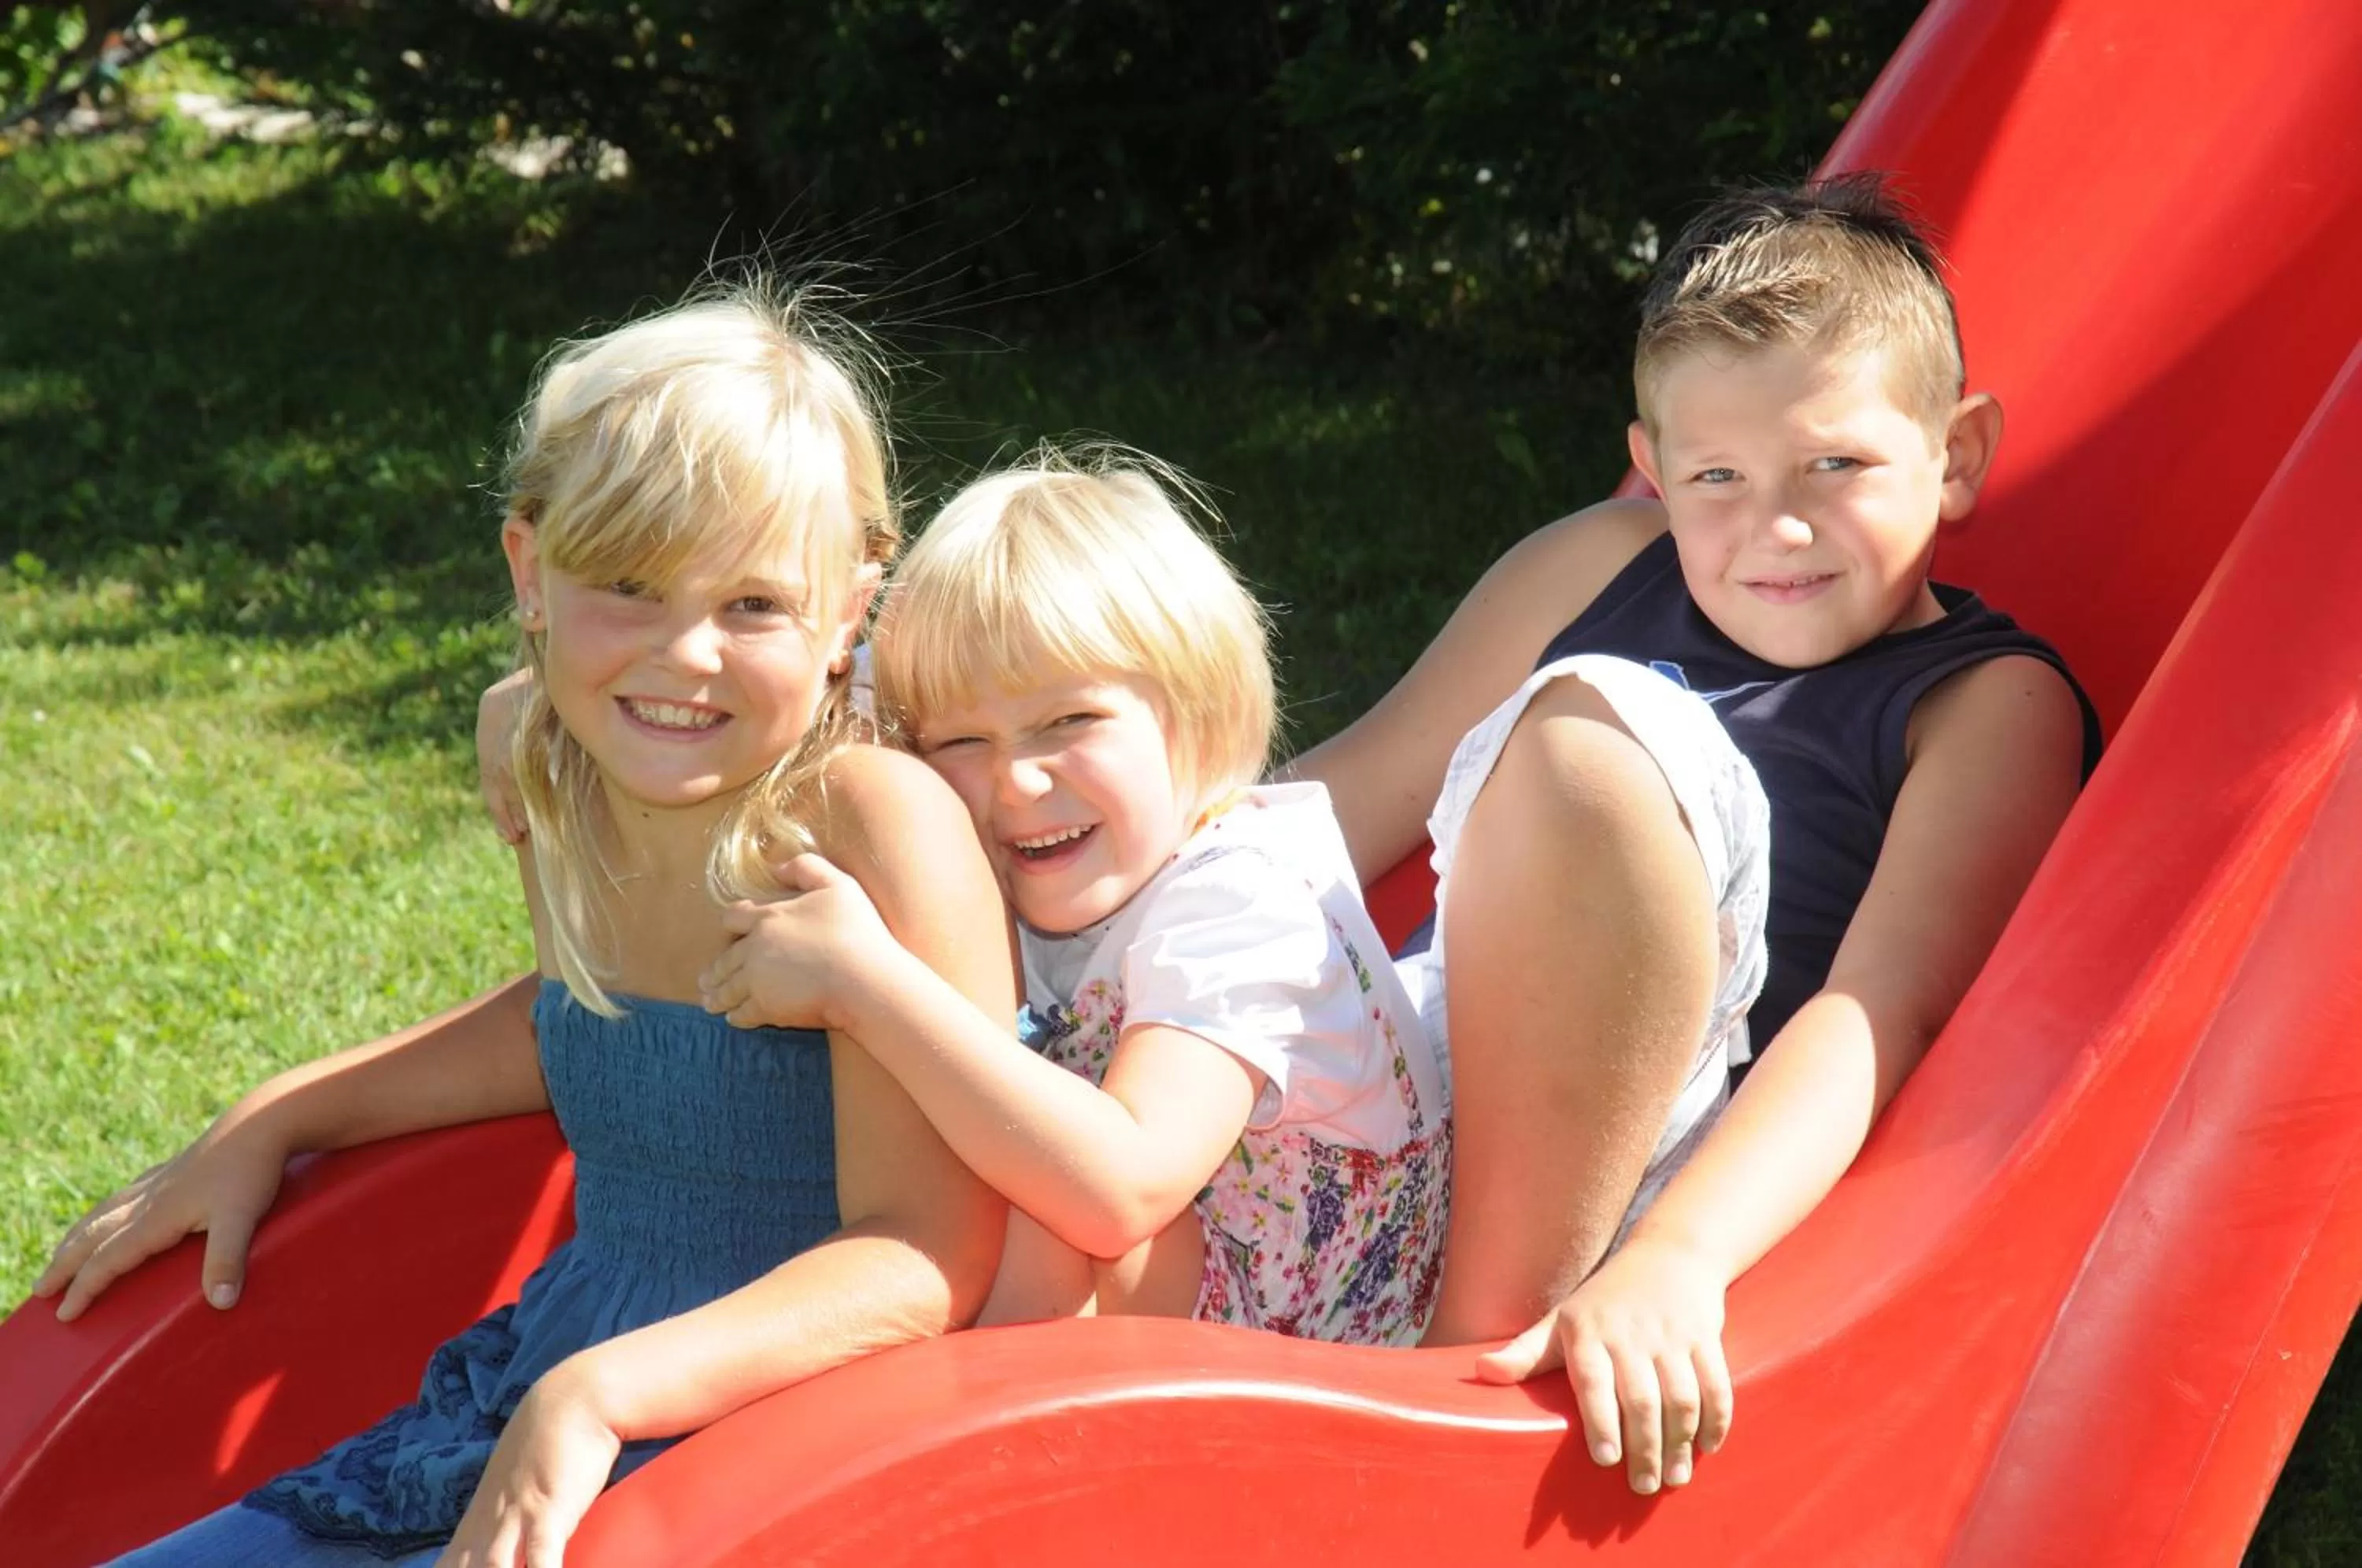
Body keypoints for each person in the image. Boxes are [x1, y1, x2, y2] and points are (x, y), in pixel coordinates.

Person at [32, 284, 1015, 1566]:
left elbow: (926, 1253)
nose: (687, 655)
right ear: (529, 572)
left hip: (799, 1438)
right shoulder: (563, 772)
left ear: (848, 612)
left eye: (754, 606)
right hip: (549, 1389)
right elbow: (589, 1026)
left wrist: (602, 1391)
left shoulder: (867, 826)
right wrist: (282, 1113)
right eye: (630, 587)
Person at [1293, 173, 2099, 1492]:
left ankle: (1453, 1364)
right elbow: (1338, 798)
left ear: (1954, 456)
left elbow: (1879, 1011)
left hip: (1650, 1153)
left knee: (1592, 739)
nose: (1777, 527)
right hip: (1417, 1062)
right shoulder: (1599, 564)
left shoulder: (1982, 705)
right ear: (1655, 465)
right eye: (1717, 477)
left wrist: (1681, 1256)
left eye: (1835, 465)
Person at [698, 451, 1453, 1344]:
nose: (1017, 780)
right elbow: (817, 693)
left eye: (1069, 722)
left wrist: (860, 983)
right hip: (1176, 1289)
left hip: (1304, 1353)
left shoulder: (1242, 904)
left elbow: (1121, 1189)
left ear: (1196, 710)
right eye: (961, 742)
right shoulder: (1075, 854)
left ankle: (938, 1395)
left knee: (1033, 1206)